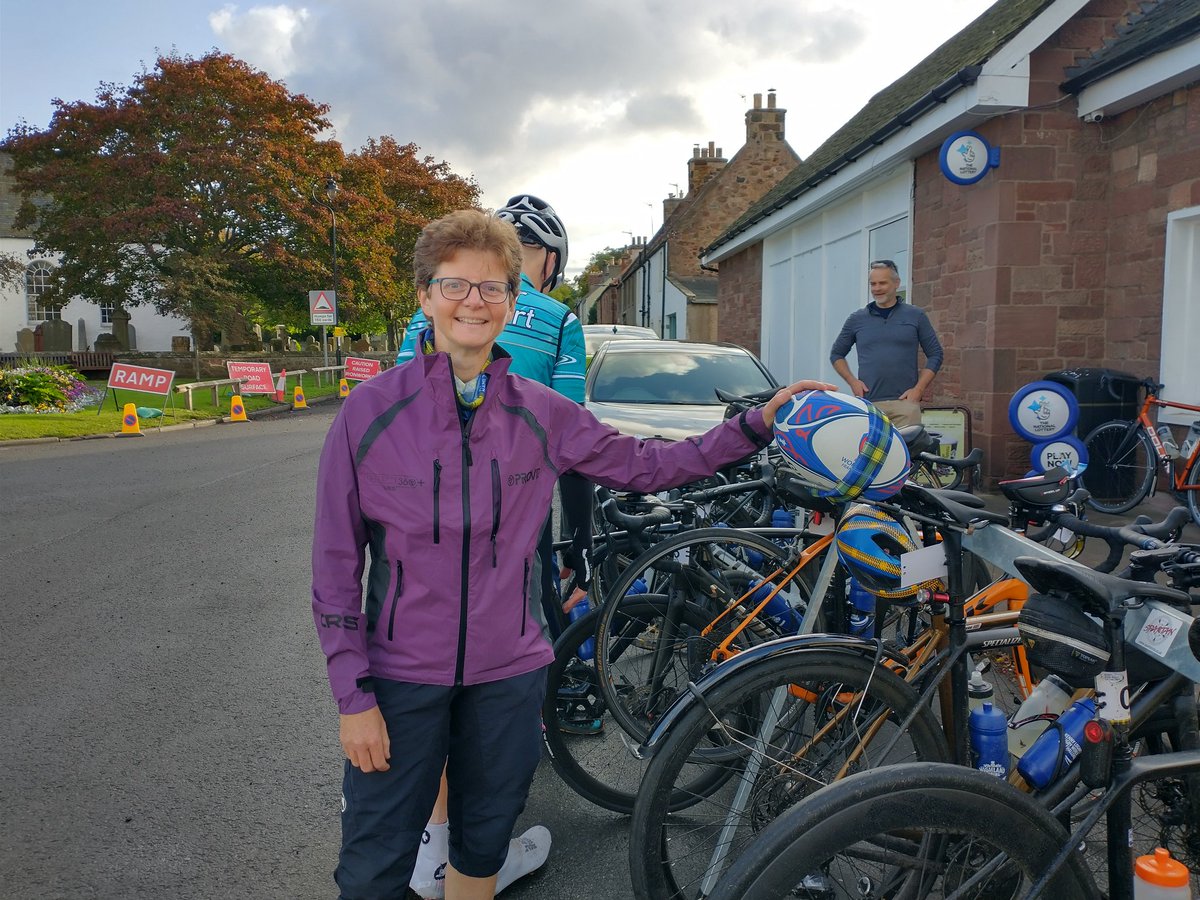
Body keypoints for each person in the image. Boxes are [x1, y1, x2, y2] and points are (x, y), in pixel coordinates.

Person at [313, 208, 829, 900]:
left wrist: (756, 425)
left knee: (482, 841)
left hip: (508, 675)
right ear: (426, 296)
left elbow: (649, 465)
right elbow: (335, 566)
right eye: (456, 285)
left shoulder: (540, 412)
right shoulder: (369, 413)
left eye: (493, 287)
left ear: (512, 301)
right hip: (401, 677)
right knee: (373, 865)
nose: (475, 301)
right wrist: (354, 697)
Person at [396, 197, 591, 897]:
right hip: (514, 525)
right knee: (497, 684)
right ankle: (484, 853)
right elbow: (574, 450)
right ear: (545, 261)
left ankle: (432, 848)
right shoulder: (564, 322)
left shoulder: (431, 306)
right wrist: (580, 547)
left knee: (435, 679)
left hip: (423, 527)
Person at [829, 258, 943, 428]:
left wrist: (918, 389)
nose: (876, 288)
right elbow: (836, 354)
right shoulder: (857, 319)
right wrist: (852, 381)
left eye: (882, 283)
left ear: (896, 283)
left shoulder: (915, 316)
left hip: (905, 405)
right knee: (872, 455)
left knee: (906, 454)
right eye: (872, 284)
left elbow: (936, 354)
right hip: (869, 405)